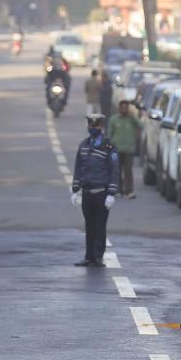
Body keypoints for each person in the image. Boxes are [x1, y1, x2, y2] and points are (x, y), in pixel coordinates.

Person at [71, 114, 119, 267]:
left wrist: (111, 193)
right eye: (91, 126)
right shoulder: (84, 145)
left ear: (101, 127)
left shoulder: (108, 146)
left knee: (100, 225)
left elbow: (114, 171)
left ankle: (98, 256)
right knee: (89, 225)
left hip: (101, 192)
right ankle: (89, 256)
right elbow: (78, 168)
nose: (93, 128)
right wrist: (75, 189)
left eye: (96, 126)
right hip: (87, 192)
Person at [107, 100, 142, 199]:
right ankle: (119, 190)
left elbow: (141, 126)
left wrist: (134, 118)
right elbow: (109, 134)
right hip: (117, 149)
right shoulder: (114, 119)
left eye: (126, 107)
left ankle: (129, 191)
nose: (124, 109)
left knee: (128, 170)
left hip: (129, 149)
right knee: (117, 170)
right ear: (119, 108)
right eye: (122, 107)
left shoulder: (131, 119)